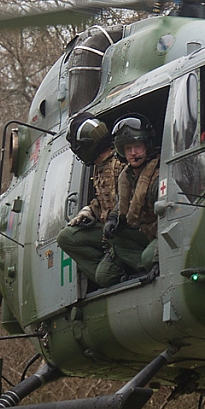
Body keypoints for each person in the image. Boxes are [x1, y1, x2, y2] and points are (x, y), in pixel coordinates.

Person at [57, 114, 125, 287]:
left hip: (123, 230)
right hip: (107, 230)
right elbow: (103, 199)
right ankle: (110, 265)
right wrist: (89, 211)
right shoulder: (99, 166)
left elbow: (127, 199)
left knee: (103, 277)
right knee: (66, 237)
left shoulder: (119, 163)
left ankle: (119, 270)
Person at [96, 115, 160, 286]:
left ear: (146, 145)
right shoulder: (127, 176)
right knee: (104, 273)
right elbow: (124, 204)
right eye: (128, 148)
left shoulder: (158, 174)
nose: (133, 153)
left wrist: (158, 255)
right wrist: (112, 219)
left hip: (162, 233)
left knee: (148, 258)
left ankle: (150, 263)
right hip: (143, 232)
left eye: (137, 147)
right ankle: (139, 268)